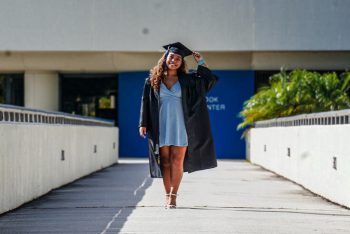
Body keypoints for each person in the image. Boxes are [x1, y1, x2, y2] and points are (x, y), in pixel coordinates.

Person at [138, 42, 218, 209]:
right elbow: (145, 102)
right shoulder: (152, 80)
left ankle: (173, 197)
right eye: (171, 57)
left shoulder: (188, 80)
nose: (174, 60)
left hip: (182, 125)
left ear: (182, 63)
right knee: (164, 162)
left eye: (178, 59)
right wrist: (143, 123)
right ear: (165, 58)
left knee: (177, 161)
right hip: (160, 125)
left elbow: (208, 81)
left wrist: (201, 63)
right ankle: (167, 195)